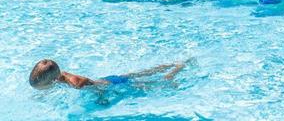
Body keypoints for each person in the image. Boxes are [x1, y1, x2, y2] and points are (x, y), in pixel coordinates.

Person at [29, 59, 186, 90]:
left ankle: (173, 71)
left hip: (111, 86)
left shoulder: (76, 83)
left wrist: (101, 99)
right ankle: (171, 64)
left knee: (154, 84)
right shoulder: (60, 76)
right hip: (106, 80)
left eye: (42, 87)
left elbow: (91, 87)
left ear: (53, 81)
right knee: (135, 74)